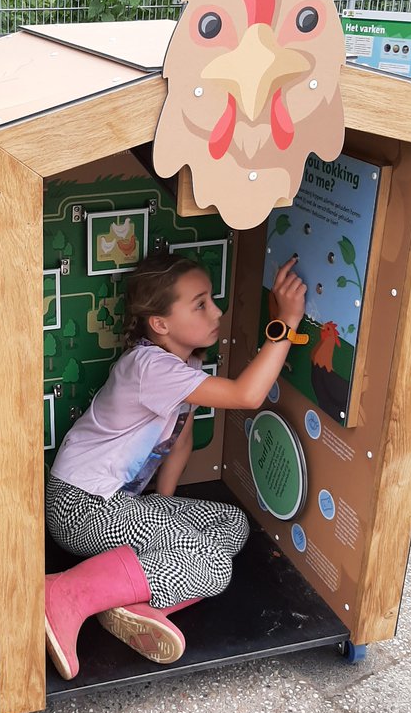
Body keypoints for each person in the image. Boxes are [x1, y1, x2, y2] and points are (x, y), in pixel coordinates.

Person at [44, 250, 306, 680]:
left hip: (112, 506)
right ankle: (62, 592)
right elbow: (246, 395)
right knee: (213, 565)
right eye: (200, 304)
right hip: (81, 507)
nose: (215, 311)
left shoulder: (185, 365)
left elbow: (179, 442)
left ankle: (130, 601)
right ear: (160, 324)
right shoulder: (151, 367)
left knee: (229, 525)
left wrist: (160, 516)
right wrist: (286, 323)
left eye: (212, 300)